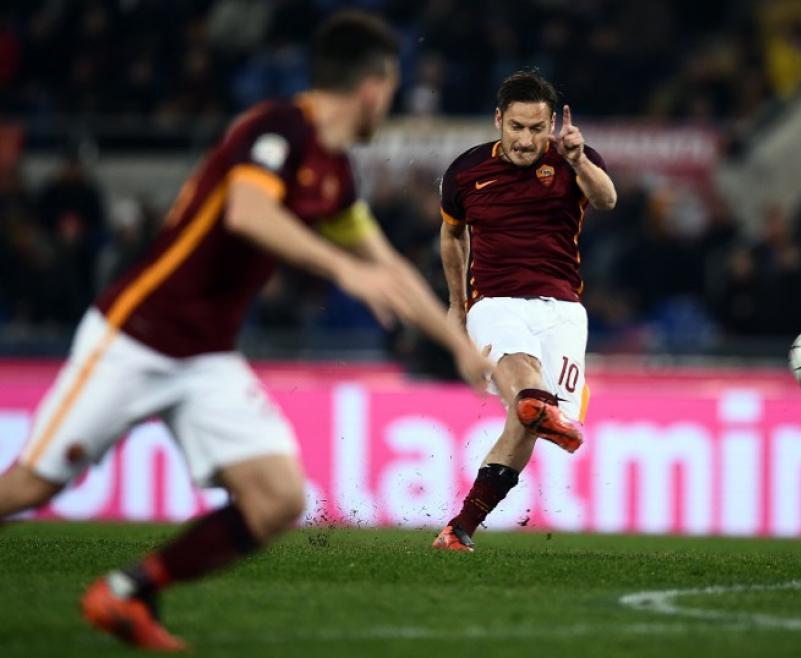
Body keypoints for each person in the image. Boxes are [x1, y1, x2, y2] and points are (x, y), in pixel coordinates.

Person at [0, 11, 491, 651]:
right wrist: (343, 268)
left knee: (277, 497)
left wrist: (457, 343)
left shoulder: (335, 173)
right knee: (34, 485)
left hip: (204, 357)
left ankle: (125, 594)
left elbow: (389, 267)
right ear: (374, 85)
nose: (390, 102)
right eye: (392, 88)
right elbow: (249, 212)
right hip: (136, 336)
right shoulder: (276, 128)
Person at [433, 70, 617, 552]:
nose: (525, 139)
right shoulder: (465, 172)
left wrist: (579, 162)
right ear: (499, 120)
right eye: (516, 127)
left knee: (527, 422)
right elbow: (453, 235)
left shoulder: (573, 159)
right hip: (494, 301)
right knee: (527, 384)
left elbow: (608, 199)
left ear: (552, 123)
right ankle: (539, 403)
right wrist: (457, 303)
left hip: (564, 310)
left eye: (537, 129)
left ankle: (459, 529)